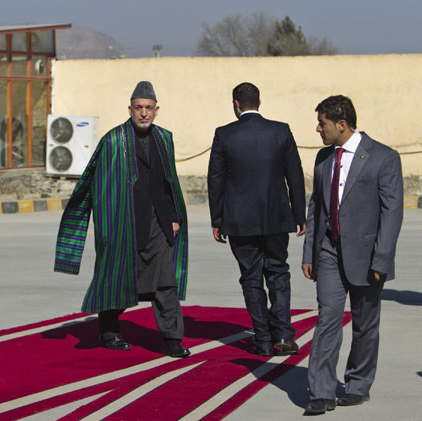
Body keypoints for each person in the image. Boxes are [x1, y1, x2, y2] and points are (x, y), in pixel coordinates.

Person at [54, 81, 190, 358]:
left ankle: (172, 338)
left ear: (156, 110)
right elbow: (97, 185)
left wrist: (174, 218)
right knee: (117, 278)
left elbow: (170, 183)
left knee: (166, 282)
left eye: (148, 108)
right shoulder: (113, 141)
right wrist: (106, 226)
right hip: (123, 224)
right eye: (138, 108)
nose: (143, 113)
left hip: (158, 223)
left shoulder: (165, 138)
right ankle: (110, 332)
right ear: (129, 109)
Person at [302, 95, 403, 415]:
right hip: (329, 251)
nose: (318, 128)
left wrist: (383, 257)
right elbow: (316, 207)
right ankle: (321, 391)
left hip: (368, 255)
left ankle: (358, 384)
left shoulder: (383, 157)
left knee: (364, 324)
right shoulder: (323, 158)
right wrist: (310, 253)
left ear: (342, 125)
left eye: (323, 123)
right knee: (328, 317)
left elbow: (392, 212)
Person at [207, 82, 306, 357]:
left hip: (239, 220)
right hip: (276, 217)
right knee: (278, 272)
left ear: (236, 104)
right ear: (259, 103)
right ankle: (284, 334)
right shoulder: (281, 131)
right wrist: (300, 214)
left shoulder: (224, 135)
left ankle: (262, 339)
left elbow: (216, 180)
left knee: (251, 277)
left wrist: (217, 219)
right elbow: (294, 175)